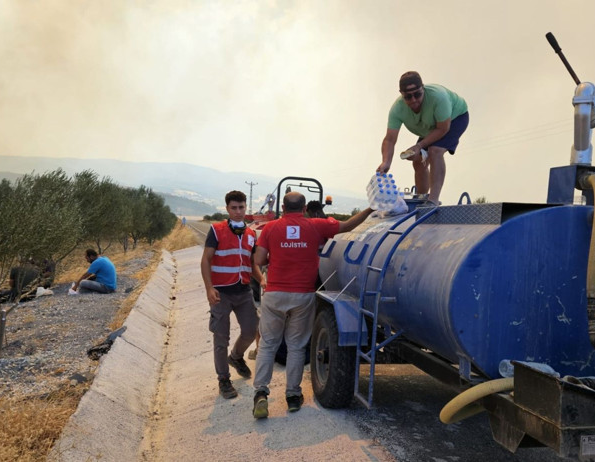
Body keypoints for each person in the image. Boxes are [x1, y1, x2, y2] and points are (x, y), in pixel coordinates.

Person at [251, 192, 373, 418]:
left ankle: (260, 393)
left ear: (283, 207)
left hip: (274, 293)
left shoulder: (269, 229)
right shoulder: (316, 226)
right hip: (302, 295)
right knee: (296, 346)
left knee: (268, 344)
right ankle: (293, 396)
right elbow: (347, 225)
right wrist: (369, 209)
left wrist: (277, 258)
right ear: (305, 207)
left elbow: (258, 261)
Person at [200, 190, 265, 400]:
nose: (238, 212)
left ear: (246, 208)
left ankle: (236, 357)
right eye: (234, 208)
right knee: (221, 338)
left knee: (251, 329)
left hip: (243, 290)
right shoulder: (217, 230)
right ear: (227, 209)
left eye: (242, 207)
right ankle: (224, 379)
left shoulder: (249, 234)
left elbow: (251, 263)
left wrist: (262, 279)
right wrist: (209, 288)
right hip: (221, 293)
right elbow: (206, 260)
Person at [377, 71, 469, 206]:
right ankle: (421, 199)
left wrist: (419, 146)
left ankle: (433, 200)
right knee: (418, 160)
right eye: (408, 97)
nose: (413, 100)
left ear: (423, 88)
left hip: (455, 118)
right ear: (401, 94)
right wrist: (386, 162)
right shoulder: (397, 109)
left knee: (435, 151)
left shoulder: (438, 97)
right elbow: (390, 139)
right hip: (431, 126)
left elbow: (443, 129)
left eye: (417, 94)